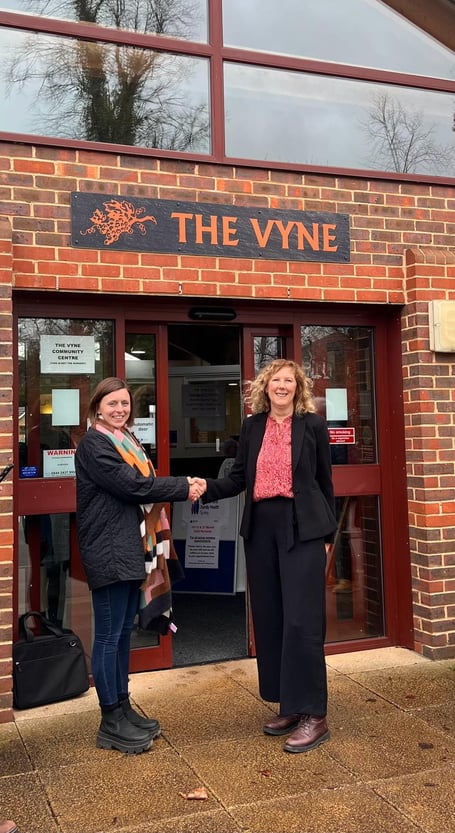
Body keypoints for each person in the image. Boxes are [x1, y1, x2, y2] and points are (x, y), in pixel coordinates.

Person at [199, 359, 336, 753]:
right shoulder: (253, 426)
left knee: (302, 621)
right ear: (264, 386)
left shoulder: (313, 426)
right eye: (275, 380)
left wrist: (327, 535)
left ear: (298, 387)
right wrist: (201, 488)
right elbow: (240, 477)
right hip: (261, 529)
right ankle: (289, 705)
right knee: (272, 618)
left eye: (289, 381)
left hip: (301, 527)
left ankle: (315, 714)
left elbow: (325, 482)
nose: (282, 386)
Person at [75, 377, 205, 755]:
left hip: (130, 549)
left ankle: (123, 707)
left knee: (121, 636)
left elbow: (139, 483)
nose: (119, 410)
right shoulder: (95, 444)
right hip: (109, 549)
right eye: (112, 404)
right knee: (108, 636)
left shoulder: (125, 440)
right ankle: (109, 720)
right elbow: (131, 486)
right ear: (97, 408)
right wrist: (184, 486)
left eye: (125, 404)